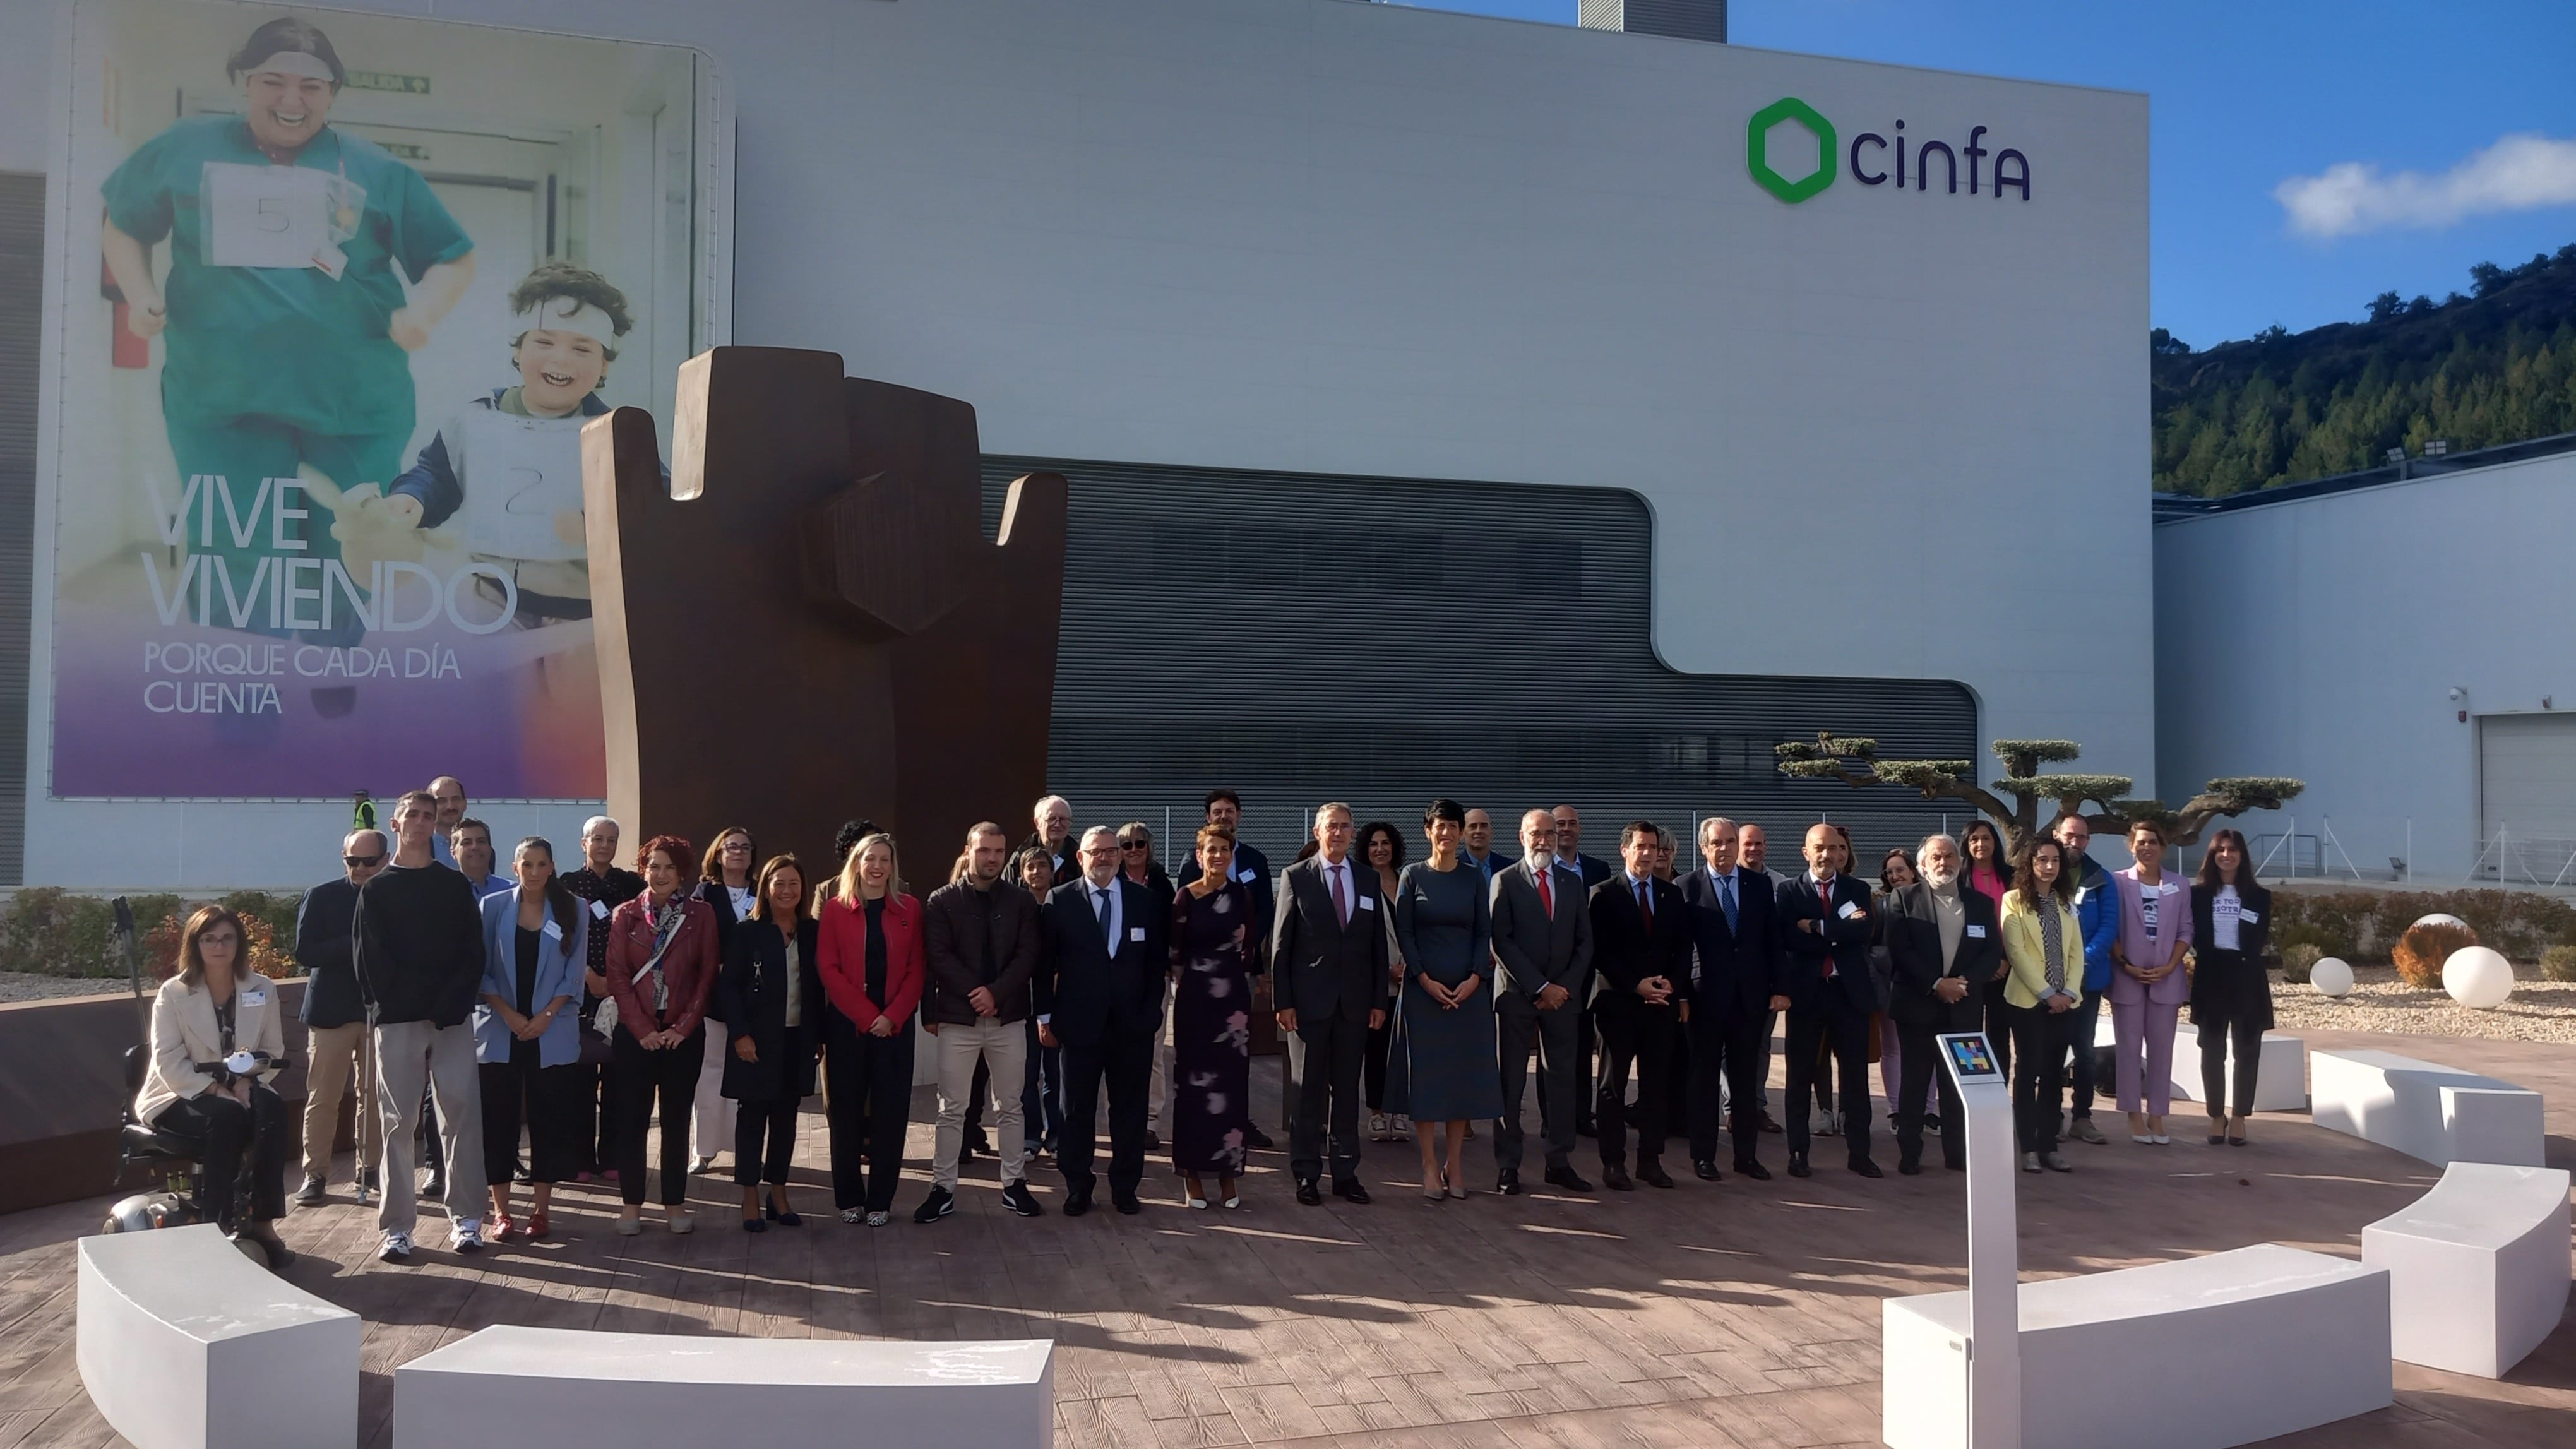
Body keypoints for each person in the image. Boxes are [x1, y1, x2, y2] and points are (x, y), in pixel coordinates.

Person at [97, 16, 475, 650]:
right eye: (273, 81)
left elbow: (452, 257)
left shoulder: (376, 171)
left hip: (353, 400)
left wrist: (425, 315)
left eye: (313, 86)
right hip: (221, 397)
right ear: (245, 80)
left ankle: (330, 674)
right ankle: (246, 703)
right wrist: (140, 295)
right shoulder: (185, 148)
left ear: (333, 93)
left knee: (346, 543)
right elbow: (122, 224)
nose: (292, 100)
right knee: (235, 545)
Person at [376, 261, 636, 628]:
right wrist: (412, 499)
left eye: (582, 349)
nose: (560, 358)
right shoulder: (478, 421)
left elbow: (654, 505)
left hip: (583, 614)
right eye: (544, 342)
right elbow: (435, 475)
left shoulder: (617, 437)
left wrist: (600, 522)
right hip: (491, 600)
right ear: (517, 350)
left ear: (605, 365)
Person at [354, 789, 488, 1261]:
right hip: (398, 1020)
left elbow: (472, 952)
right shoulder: (376, 889)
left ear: (438, 825)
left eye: (428, 815)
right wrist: (412, 1004)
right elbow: (372, 962)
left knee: (462, 1114)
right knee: (398, 1122)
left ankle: (469, 1219)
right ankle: (397, 1227)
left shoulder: (453, 886)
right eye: (412, 814)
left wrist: (447, 1003)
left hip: (451, 1018)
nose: (419, 821)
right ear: (395, 823)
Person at [137, 906, 292, 1267]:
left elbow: (273, 1050)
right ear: (195, 945)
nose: (218, 946)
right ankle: (215, 1223)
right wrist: (216, 1090)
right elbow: (169, 1061)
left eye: (226, 938)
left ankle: (264, 1222)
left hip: (245, 1083)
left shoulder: (262, 988)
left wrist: (246, 1083)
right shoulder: (173, 993)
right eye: (209, 939)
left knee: (272, 1111)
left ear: (238, 944)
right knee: (226, 1118)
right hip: (180, 1092)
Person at [1038, 827, 1171, 1217]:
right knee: (1075, 1110)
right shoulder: (1060, 901)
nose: (1106, 858)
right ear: (1081, 857)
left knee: (1129, 1110)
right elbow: (1046, 965)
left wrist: (1152, 1015)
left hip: (1132, 1027)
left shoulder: (1144, 901)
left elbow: (1155, 965)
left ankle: (1125, 1188)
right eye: (1097, 852)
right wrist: (1045, 1016)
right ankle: (1078, 1186)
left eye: (1112, 851)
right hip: (1078, 1025)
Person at [919, 824, 1044, 1223]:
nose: (992, 858)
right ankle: (943, 1188)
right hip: (959, 1019)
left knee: (1011, 1106)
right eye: (985, 850)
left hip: (1008, 1017)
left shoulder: (1022, 901)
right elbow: (937, 956)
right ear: (968, 850)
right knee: (952, 1108)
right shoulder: (942, 901)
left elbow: (1028, 955)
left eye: (999, 851)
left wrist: (996, 993)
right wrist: (976, 991)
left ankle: (1014, 1185)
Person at [1271, 803, 1391, 1205]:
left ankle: (1345, 1172)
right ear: (1317, 832)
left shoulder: (1367, 879)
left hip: (1355, 1006)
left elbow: (1377, 948)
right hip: (1308, 1006)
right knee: (1308, 1093)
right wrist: (1283, 1002)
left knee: (1346, 1092)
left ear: (1351, 833)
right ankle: (1307, 1174)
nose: (1338, 833)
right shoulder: (1296, 877)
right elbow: (1281, 946)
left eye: (1344, 827)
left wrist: (1378, 1001)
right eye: (1331, 827)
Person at [604, 835, 720, 1234]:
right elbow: (618, 977)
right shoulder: (625, 915)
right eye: (654, 866)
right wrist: (641, 1030)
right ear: (643, 869)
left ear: (682, 871)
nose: (661, 874)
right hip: (636, 1034)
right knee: (632, 1119)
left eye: (670, 867)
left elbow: (706, 977)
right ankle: (632, 1205)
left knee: (675, 1120)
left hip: (681, 1036)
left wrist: (682, 1027)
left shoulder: (700, 915)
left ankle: (674, 1203)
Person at [1388, 799, 1501, 1202]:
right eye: (1441, 826)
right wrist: (1423, 978)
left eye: (1454, 826)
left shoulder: (1474, 877)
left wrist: (1475, 979)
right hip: (1424, 992)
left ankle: (1456, 1163)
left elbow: (1482, 932)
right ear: (1428, 830)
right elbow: (1406, 932)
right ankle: (1428, 1164)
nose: (1448, 833)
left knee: (1460, 1080)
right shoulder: (1412, 875)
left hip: (1467, 994)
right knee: (1427, 1079)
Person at [474, 837, 585, 1239]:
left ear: (552, 867)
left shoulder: (575, 908)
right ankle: (502, 1212)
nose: (534, 872)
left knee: (549, 1121)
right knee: (498, 1123)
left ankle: (541, 1210)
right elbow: (481, 971)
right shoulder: (492, 906)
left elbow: (574, 973)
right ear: (516, 867)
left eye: (542, 864)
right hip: (500, 1030)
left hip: (550, 1031)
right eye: (527, 864)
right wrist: (509, 1014)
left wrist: (545, 1016)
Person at [821, 835, 929, 1226]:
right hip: (849, 1029)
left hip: (895, 1029)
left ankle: (881, 1200)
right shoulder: (835, 909)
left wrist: (893, 1017)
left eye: (885, 859)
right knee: (846, 1116)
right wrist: (868, 1017)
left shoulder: (910, 909)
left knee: (891, 1115)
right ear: (858, 862)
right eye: (871, 858)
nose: (878, 866)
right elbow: (828, 969)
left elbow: (918, 969)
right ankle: (849, 1197)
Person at [1489, 808, 1595, 1195]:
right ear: (1521, 837)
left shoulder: (1572, 882)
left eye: (1550, 834)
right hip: (1518, 995)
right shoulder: (1505, 881)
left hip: (1562, 1000)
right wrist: (1539, 987)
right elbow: (1501, 942)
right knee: (1511, 1082)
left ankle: (1559, 1161)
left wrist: (1562, 987)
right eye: (1536, 834)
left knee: (1562, 1080)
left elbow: (1585, 942)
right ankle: (1508, 1165)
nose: (1544, 840)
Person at [1880, 835, 1998, 1174]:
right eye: (1935, 857)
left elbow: (1991, 952)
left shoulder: (1980, 904)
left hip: (1963, 1006)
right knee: (1915, 1082)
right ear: (1923, 865)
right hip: (1918, 1005)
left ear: (1959, 863)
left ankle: (1957, 1154)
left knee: (1957, 1084)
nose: (1943, 862)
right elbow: (1900, 951)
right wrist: (1936, 984)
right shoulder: (1904, 898)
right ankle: (1910, 1153)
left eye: (1949, 856)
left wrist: (1964, 984)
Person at [721, 854, 825, 1231]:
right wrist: (741, 1034)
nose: (786, 890)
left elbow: (817, 990)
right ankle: (749, 1196)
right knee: (752, 1119)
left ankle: (778, 1193)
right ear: (765, 887)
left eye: (793, 884)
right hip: (757, 1041)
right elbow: (729, 987)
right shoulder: (747, 931)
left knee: (786, 1120)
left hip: (798, 1040)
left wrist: (818, 1037)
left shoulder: (812, 931)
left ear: (803, 889)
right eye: (778, 883)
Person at [1776, 823, 1883, 1179]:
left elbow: (1862, 932)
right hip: (1808, 994)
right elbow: (1789, 937)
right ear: (1805, 852)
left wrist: (1817, 927)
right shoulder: (1790, 891)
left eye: (1835, 848)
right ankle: (1798, 1152)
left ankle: (1860, 1153)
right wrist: (1836, 929)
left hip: (1848, 994)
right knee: (1799, 1076)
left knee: (1855, 1078)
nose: (1827, 855)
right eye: (1819, 847)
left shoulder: (1856, 888)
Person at [1588, 822, 1689, 1191]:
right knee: (1613, 1086)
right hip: (1618, 1004)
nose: (1649, 854)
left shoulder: (1670, 894)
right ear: (1625, 850)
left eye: (1654, 847)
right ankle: (1613, 1162)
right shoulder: (1603, 894)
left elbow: (1682, 947)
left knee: (1656, 1085)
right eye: (1641, 847)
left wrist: (1670, 985)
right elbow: (1600, 952)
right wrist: (1635, 984)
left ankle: (1650, 1160)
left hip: (1660, 1005)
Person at [1172, 789, 1277, 1149]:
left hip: (1239, 972)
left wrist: (1244, 946)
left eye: (1229, 811)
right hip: (1200, 979)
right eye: (1217, 812)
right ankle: (1200, 1124)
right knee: (1200, 1055)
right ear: (1207, 818)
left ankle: (1237, 1122)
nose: (1223, 817)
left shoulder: (1255, 859)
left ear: (1239, 816)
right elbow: (1181, 920)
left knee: (1234, 1053)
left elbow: (1264, 910)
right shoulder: (1191, 860)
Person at [1676, 817, 1777, 1181]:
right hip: (1705, 999)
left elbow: (1771, 941)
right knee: (1703, 1078)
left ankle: (1746, 1156)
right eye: (1717, 843)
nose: (1725, 849)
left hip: (1750, 998)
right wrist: (1683, 996)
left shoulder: (1759, 885)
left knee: (1746, 1079)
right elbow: (1680, 949)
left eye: (1730, 842)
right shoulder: (1686, 887)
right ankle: (1703, 1155)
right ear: (1704, 847)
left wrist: (1778, 989)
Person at [291, 828, 385, 1207]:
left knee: (375, 1096)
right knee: (324, 1096)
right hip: (331, 1011)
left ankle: (372, 1169)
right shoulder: (322, 895)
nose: (360, 868)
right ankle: (315, 1173)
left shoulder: (391, 896)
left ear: (385, 859)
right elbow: (305, 950)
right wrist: (356, 945)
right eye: (352, 861)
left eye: (368, 861)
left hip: (377, 1011)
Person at [1169, 823, 1259, 1208]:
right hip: (1195, 1003)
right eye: (1211, 849)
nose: (1218, 855)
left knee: (1232, 1087)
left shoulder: (1243, 896)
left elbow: (1251, 948)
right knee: (1193, 1090)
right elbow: (1173, 955)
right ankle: (1191, 1174)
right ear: (1199, 855)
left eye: (1225, 849)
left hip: (1233, 1006)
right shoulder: (1185, 897)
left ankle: (1228, 1175)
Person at [560, 816, 643, 1184]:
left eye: (611, 840)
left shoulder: (632, 885)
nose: (605, 846)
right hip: (578, 993)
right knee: (578, 1081)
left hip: (622, 994)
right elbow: (559, 938)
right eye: (598, 839)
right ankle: (579, 1159)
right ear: (584, 843)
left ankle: (612, 1156)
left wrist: (615, 981)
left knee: (619, 1080)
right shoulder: (565, 886)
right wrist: (589, 977)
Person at [2001, 836, 2085, 1173]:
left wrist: (2068, 992)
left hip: (2065, 1003)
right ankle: (2029, 1147)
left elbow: (2076, 953)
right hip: (2027, 1003)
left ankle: (2050, 1144)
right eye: (2042, 860)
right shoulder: (2014, 901)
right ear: (2030, 863)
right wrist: (2046, 993)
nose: (2049, 867)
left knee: (2054, 1076)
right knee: (2028, 1073)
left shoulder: (2066, 902)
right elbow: (2017, 952)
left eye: (2054, 861)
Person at [2110, 821, 2193, 1146]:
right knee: (2129, 1050)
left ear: (2164, 847)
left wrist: (2172, 966)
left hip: (2166, 979)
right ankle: (2132, 1114)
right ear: (2132, 846)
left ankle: (2157, 1115)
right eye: (2141, 842)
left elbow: (2186, 930)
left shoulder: (2179, 884)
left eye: (2154, 842)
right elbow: (2111, 928)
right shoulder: (2117, 882)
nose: (2148, 847)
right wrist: (2126, 965)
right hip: (2127, 978)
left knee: (2162, 1050)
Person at [2190, 829, 2274, 1147]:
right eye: (2220, 850)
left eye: (2233, 849)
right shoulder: (2197, 895)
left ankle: (2239, 1116)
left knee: (2247, 1050)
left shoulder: (2259, 896)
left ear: (2242, 855)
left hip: (2246, 977)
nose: (2226, 855)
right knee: (2212, 1051)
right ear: (2212, 856)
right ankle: (2216, 1115)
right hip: (2211, 976)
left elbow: (2257, 937)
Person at [689, 827, 760, 1175]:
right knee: (711, 1071)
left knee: (751, 1075)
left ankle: (746, 1149)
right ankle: (704, 1151)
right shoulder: (705, 894)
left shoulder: (762, 890)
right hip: (715, 998)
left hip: (757, 998)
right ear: (718, 854)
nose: (739, 853)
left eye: (745, 847)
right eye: (732, 847)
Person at [2053, 812, 2120, 1146]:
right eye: (2069, 835)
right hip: (2048, 983)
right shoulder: (2044, 873)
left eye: (2081, 837)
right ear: (2057, 834)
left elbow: (2109, 927)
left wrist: (2080, 965)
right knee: (2051, 1052)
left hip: (2087, 982)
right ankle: (2051, 1117)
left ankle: (2082, 1117)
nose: (2074, 842)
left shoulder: (2101, 878)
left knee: (2085, 1051)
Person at [1119, 823, 1178, 1150]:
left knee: (1153, 1051)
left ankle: (1150, 1121)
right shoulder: (1111, 880)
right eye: (1126, 845)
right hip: (1117, 979)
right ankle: (1123, 1117)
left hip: (1153, 978)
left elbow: (1171, 929)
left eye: (1140, 843)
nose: (1134, 849)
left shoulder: (1160, 884)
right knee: (1118, 1053)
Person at [1872, 847, 1934, 1132]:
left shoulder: (1932, 902)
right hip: (1891, 985)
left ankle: (1930, 1110)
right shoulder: (1880, 905)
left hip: (1928, 986)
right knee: (1893, 1050)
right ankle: (1896, 1110)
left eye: (1900, 869)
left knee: (1930, 1048)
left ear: (1913, 870)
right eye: (1890, 871)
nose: (1895, 876)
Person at [1013, 845, 1068, 1162]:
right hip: (1023, 1005)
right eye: (1030, 867)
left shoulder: (1063, 904)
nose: (1037, 872)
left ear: (1052, 871)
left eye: (1042, 866)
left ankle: (1057, 1135)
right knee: (1027, 1074)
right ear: (1022, 874)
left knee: (1056, 1074)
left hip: (1057, 1004)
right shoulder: (1017, 908)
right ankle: (1031, 1135)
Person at [1357, 820, 1409, 1144]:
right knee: (1376, 1050)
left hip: (1413, 980)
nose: (1380, 849)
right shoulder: (1361, 882)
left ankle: (1401, 1111)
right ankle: (1377, 1113)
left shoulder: (1409, 879)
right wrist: (1387, 968)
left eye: (1386, 843)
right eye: (1374, 844)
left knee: (1405, 1050)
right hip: (1376, 982)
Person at [1959, 819, 2015, 1080]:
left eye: (1986, 838)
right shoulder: (1959, 879)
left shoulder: (2011, 876)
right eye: (1974, 839)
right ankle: (1974, 1086)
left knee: (1999, 1033)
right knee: (1969, 1032)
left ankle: (1998, 1090)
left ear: (1996, 842)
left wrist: (2004, 960)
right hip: (1971, 968)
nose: (1981, 844)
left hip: (2006, 967)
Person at [451, 820, 509, 900]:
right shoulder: (444, 892)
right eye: (467, 843)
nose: (475, 847)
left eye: (481, 841)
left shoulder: (512, 892)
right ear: (453, 853)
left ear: (490, 850)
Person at [1027, 796, 1078, 884]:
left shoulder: (1080, 859)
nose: (1058, 825)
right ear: (1038, 823)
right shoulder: (1021, 857)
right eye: (1052, 819)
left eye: (1063, 819)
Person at [428, 778, 468, 866]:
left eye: (456, 799)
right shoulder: (418, 848)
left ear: (465, 804)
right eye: (441, 801)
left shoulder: (478, 849)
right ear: (430, 807)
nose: (450, 807)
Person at [1460, 809, 1508, 880]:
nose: (1478, 831)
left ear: (1491, 832)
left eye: (1484, 826)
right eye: (1473, 826)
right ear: (1463, 833)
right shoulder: (1453, 868)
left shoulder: (1508, 868)